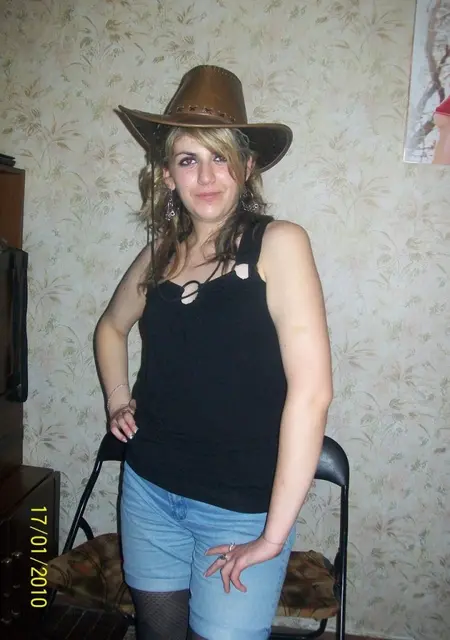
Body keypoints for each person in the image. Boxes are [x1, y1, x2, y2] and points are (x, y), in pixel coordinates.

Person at [94, 65, 333, 640]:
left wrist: (272, 536)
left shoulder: (279, 243)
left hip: (239, 508)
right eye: (187, 159)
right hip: (149, 489)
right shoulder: (161, 251)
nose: (205, 175)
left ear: (247, 167)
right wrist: (118, 399)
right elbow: (110, 328)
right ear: (166, 173)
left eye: (221, 157)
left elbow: (312, 394)